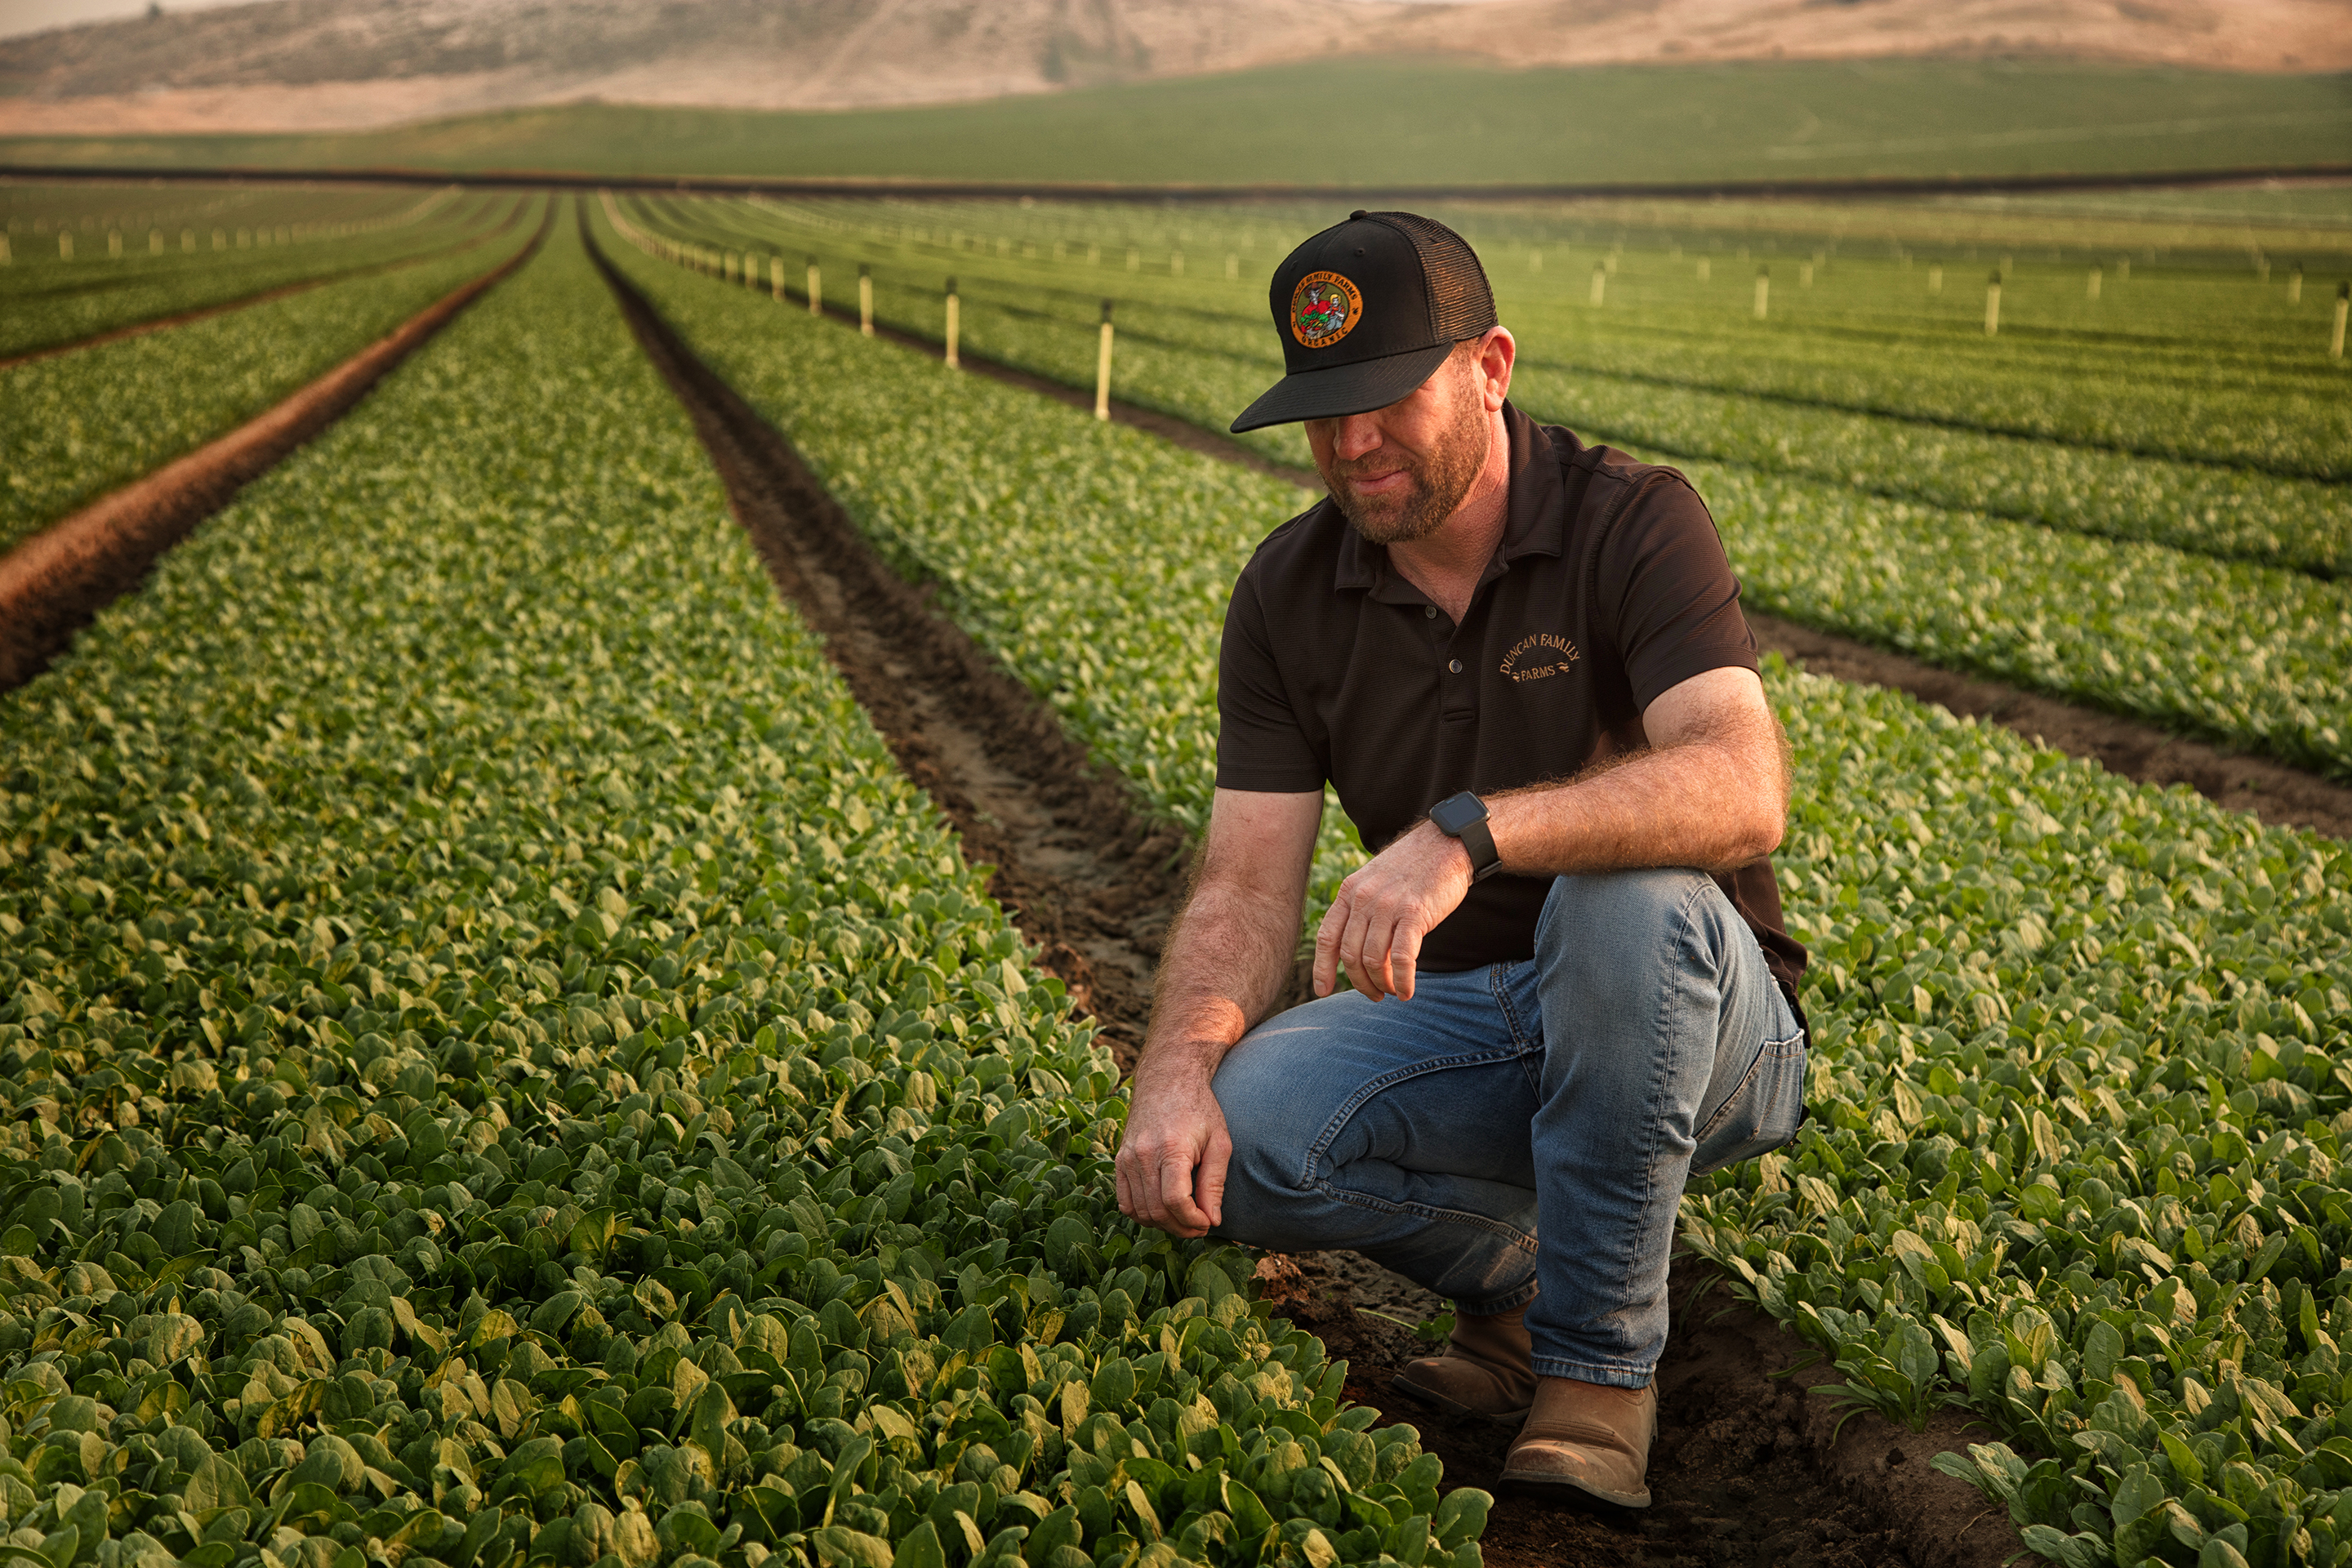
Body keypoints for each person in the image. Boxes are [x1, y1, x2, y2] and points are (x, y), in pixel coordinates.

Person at [1111, 211, 1809, 1508]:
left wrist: (1467, 831)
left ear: (1490, 368)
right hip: (1473, 1022)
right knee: (1240, 1145)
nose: (1351, 443)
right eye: (1323, 412)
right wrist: (1172, 1072)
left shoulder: (1632, 521)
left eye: (1387, 399)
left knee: (1626, 906)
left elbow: (1742, 783)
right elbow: (1246, 883)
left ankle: (1598, 1374)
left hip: (1702, 1021)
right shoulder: (1288, 591)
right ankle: (1521, 1280)